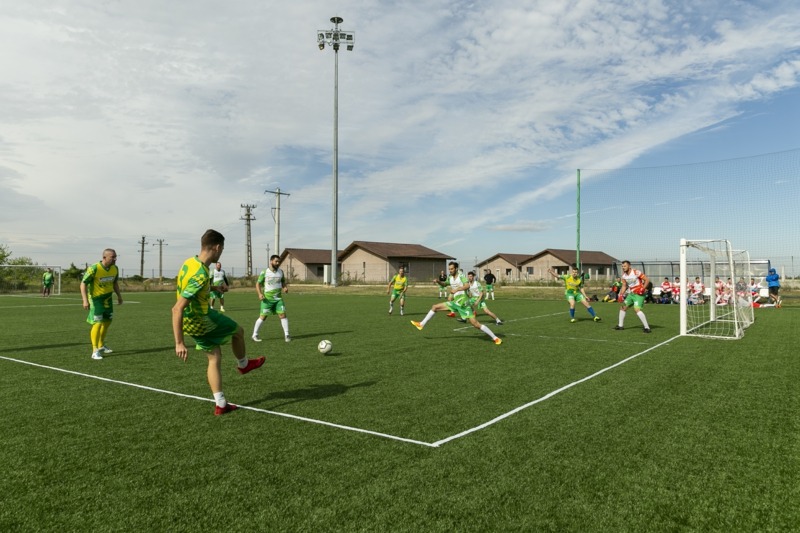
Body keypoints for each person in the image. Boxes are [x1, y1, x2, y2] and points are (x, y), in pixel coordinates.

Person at [172, 229, 265, 416]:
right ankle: (243, 364)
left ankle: (221, 404)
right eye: (222, 249)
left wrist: (215, 288)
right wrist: (179, 343)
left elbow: (196, 287)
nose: (221, 252)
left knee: (214, 357)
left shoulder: (190, 263)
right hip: (201, 318)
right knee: (238, 331)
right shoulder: (200, 274)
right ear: (216, 247)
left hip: (191, 323)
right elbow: (176, 308)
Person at [411, 261, 502, 345]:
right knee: (435, 307)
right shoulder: (450, 277)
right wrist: (438, 281)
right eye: (449, 269)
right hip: (455, 302)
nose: (450, 270)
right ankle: (421, 324)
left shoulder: (461, 276)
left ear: (456, 269)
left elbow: (467, 285)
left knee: (476, 324)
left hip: (464, 304)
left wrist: (457, 289)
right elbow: (445, 284)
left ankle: (495, 338)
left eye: (452, 269)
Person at [80, 249, 124, 360]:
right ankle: (94, 350)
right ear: (104, 257)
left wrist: (119, 296)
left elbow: (115, 283)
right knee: (98, 323)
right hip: (96, 299)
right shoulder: (94, 268)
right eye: (112, 257)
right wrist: (85, 300)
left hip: (108, 298)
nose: (115, 259)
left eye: (115, 257)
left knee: (107, 322)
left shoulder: (115, 268)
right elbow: (83, 284)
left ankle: (101, 345)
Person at [252, 255, 291, 342]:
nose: (278, 263)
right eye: (276, 261)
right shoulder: (264, 272)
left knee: (283, 315)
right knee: (263, 317)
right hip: (267, 299)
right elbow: (258, 284)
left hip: (278, 299)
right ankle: (255, 335)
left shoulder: (281, 272)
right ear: (271, 261)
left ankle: (287, 335)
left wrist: (285, 287)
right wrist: (260, 294)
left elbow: (283, 282)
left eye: (278, 262)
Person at [614, 260, 651, 333]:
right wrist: (621, 294)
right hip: (631, 293)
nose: (623, 267)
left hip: (639, 294)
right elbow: (624, 286)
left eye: (625, 266)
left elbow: (647, 280)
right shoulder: (624, 276)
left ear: (629, 266)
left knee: (636, 309)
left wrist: (643, 288)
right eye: (622, 266)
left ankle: (647, 328)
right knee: (623, 308)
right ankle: (620, 326)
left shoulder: (636, 272)